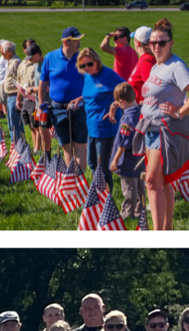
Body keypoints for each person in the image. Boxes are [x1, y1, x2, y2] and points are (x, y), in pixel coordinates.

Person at [140, 23, 189, 231]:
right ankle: (167, 229)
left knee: (151, 181)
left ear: (171, 44)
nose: (157, 46)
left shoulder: (176, 66)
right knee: (163, 181)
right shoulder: (156, 66)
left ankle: (157, 233)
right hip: (150, 130)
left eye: (161, 43)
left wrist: (179, 112)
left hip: (165, 131)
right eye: (153, 43)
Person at [72, 48, 126, 191]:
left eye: (89, 64)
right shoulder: (88, 76)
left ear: (97, 61)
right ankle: (99, 191)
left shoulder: (108, 75)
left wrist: (115, 105)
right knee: (92, 163)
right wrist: (81, 98)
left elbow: (127, 90)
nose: (86, 68)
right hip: (91, 126)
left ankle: (107, 199)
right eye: (83, 66)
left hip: (105, 127)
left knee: (103, 166)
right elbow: (93, 93)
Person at [41, 28, 89, 169]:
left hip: (79, 108)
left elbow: (91, 80)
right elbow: (43, 81)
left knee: (80, 144)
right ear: (66, 42)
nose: (79, 43)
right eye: (76, 40)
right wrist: (40, 103)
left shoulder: (83, 59)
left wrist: (82, 98)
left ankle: (80, 182)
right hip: (57, 109)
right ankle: (71, 180)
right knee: (66, 146)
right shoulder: (50, 57)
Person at [108, 83, 146, 227]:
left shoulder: (128, 119)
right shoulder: (140, 111)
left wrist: (115, 159)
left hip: (127, 161)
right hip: (139, 160)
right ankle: (139, 212)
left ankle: (126, 215)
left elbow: (124, 142)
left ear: (122, 102)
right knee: (140, 188)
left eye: (118, 103)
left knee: (130, 190)